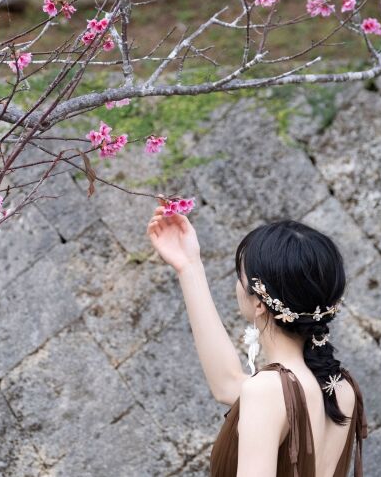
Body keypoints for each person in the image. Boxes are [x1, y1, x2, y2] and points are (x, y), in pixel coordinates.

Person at [146, 204, 367, 477]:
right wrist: (189, 266)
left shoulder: (269, 391)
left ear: (260, 303)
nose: (237, 286)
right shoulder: (340, 388)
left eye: (239, 277)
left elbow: (259, 396)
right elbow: (227, 383)